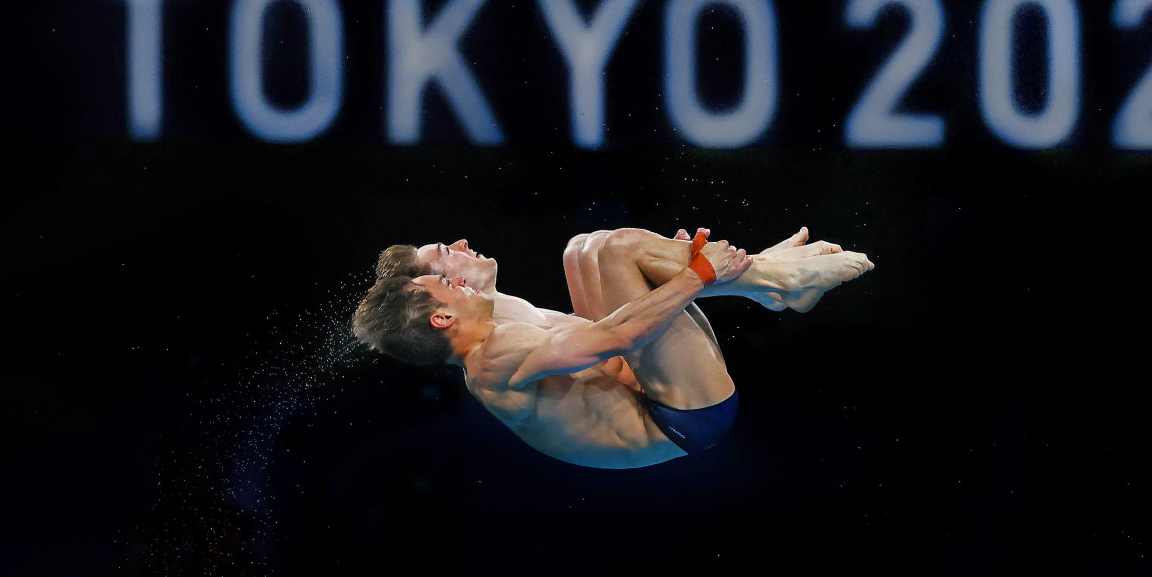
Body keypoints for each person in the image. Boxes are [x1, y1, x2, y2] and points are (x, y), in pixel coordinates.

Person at [353, 225, 873, 469]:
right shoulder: (493, 360)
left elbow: (619, 329)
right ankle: (777, 280)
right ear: (441, 313)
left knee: (585, 248)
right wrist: (696, 273)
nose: (463, 250)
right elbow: (620, 335)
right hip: (679, 417)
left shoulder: (496, 315)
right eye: (446, 266)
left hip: (646, 376)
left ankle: (775, 284)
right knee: (620, 251)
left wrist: (674, 275)